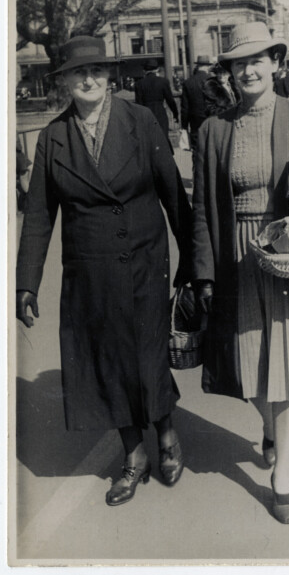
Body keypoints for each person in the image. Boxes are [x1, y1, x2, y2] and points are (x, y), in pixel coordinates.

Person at [16, 36, 192, 507]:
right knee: (107, 361)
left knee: (148, 353)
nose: (88, 79)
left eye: (95, 70)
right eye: (79, 72)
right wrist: (26, 282)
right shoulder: (52, 137)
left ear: (109, 76)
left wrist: (195, 262)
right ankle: (135, 455)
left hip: (144, 260)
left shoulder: (141, 121)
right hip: (89, 271)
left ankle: (167, 434)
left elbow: (174, 194)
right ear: (65, 82)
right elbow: (38, 215)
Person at [191, 22, 289, 524]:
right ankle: (269, 428)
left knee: (284, 366)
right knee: (247, 366)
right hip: (237, 257)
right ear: (230, 72)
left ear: (276, 63)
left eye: (258, 60)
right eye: (239, 63)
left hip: (287, 254)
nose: (248, 70)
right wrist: (203, 271)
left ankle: (283, 474)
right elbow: (202, 210)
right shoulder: (213, 131)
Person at [134, 59, 179, 149]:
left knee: (149, 139)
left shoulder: (139, 84)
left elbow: (138, 104)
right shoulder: (163, 82)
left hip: (146, 114)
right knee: (163, 137)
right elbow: (170, 100)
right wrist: (175, 114)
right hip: (160, 113)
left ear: (144, 70)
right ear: (157, 69)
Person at [180, 55, 212, 155]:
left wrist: (184, 126)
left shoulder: (188, 82)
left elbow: (185, 107)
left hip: (195, 120)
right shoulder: (212, 81)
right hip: (211, 118)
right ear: (207, 67)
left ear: (197, 66)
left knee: (197, 149)